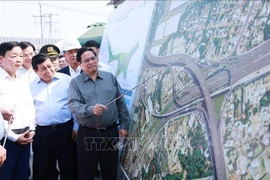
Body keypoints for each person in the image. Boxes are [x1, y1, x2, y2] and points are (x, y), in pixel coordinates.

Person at [68, 47, 130, 180]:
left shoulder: (110, 78)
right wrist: (91, 109)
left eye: (93, 58)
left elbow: (121, 103)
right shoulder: (75, 83)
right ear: (80, 64)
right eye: (86, 60)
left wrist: (124, 126)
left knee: (110, 171)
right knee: (86, 172)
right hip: (87, 133)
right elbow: (73, 105)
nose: (91, 62)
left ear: (97, 59)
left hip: (110, 133)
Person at [30, 53, 77, 180]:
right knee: (43, 167)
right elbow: (29, 109)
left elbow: (74, 104)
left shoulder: (66, 80)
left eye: (50, 66)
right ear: (35, 71)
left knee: (68, 165)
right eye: (43, 69)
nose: (48, 71)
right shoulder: (30, 86)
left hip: (65, 130)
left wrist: (76, 126)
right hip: (42, 132)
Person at [0, 41, 36, 179]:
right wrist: (14, 138)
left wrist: (32, 128)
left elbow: (29, 106)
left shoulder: (22, 79)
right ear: (1, 58)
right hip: (5, 141)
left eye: (21, 56)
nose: (19, 60)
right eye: (14, 56)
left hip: (25, 138)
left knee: (23, 175)